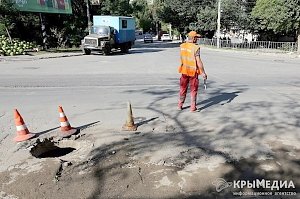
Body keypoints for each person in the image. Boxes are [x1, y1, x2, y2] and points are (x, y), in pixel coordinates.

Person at [178, 31, 207, 112]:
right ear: (194, 38)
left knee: (182, 89)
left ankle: (180, 105)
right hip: (193, 72)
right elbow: (198, 61)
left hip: (184, 71)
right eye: (196, 38)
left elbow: (182, 58)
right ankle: (193, 108)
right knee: (193, 90)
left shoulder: (182, 46)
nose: (197, 39)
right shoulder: (195, 48)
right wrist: (203, 72)